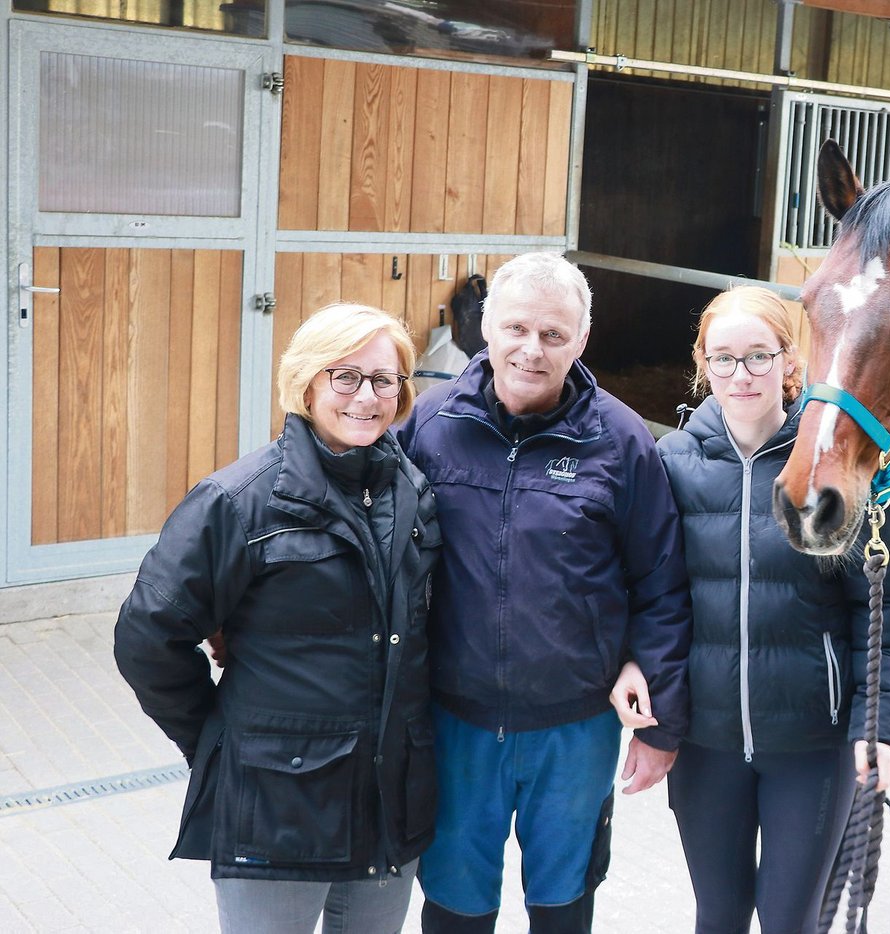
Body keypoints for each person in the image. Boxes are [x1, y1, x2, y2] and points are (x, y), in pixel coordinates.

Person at [114, 303, 441, 933]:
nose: (366, 397)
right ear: (307, 382)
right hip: (277, 803)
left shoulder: (414, 492)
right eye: (345, 377)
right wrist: (216, 739)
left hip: (388, 800)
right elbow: (148, 635)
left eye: (384, 379)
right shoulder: (238, 502)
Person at [611, 286, 890, 933]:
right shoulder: (670, 464)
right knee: (718, 915)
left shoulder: (838, 468)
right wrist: (631, 669)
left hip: (812, 743)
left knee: (789, 919)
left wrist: (882, 724)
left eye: (758, 356)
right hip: (707, 743)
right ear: (702, 363)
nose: (741, 374)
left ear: (789, 361)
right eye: (723, 359)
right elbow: (642, 592)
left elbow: (886, 608)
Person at [396, 252, 692, 933]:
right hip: (454, 722)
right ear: (486, 328)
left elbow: (661, 583)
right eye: (516, 329)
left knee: (562, 908)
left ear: (582, 340)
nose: (532, 350)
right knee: (455, 907)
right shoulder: (430, 425)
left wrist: (662, 721)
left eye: (554, 335)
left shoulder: (621, 442)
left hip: (575, 728)